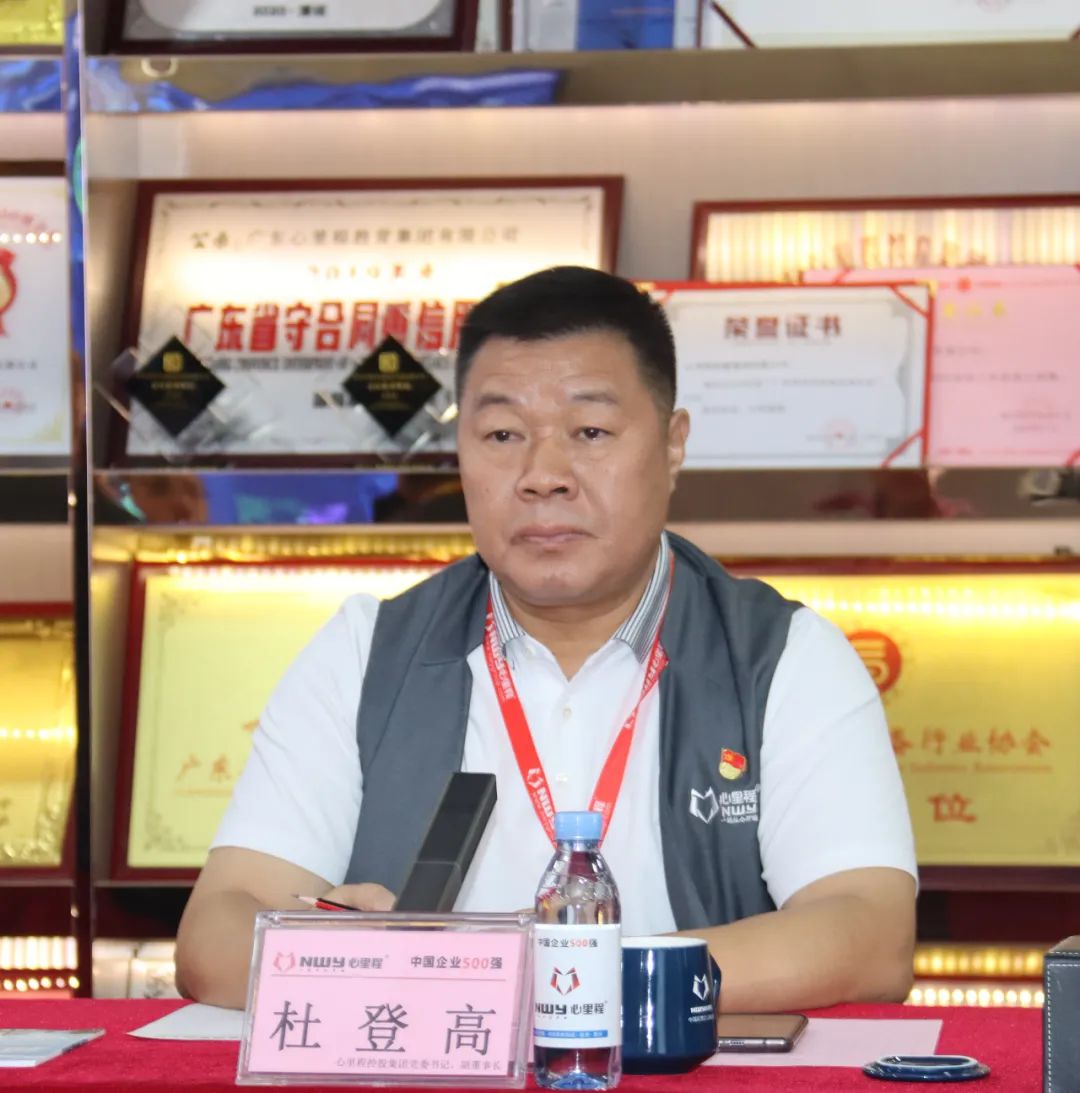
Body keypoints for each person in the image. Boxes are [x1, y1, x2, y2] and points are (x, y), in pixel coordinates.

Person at [175, 266, 917, 1011]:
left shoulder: (783, 658)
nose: (543, 475)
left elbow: (867, 932)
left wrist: (540, 984)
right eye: (503, 435)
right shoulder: (366, 654)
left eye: (590, 432)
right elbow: (216, 937)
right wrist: (353, 958)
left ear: (673, 445)